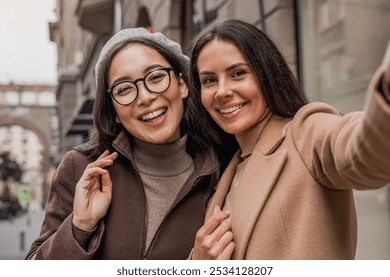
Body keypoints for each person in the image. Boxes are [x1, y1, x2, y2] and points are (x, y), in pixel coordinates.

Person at [189, 19, 390, 260]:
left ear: (266, 75)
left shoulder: (306, 132)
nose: (222, 91)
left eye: (238, 73)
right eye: (209, 80)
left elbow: (365, 154)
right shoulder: (224, 172)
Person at [25, 27, 228, 260]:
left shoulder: (221, 168)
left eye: (156, 77)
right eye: (124, 89)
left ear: (182, 84)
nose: (145, 97)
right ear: (115, 112)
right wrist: (79, 227)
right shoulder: (82, 170)